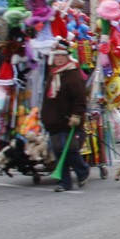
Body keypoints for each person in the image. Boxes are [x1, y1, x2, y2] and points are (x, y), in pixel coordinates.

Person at [42, 40, 89, 192]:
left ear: (68, 57)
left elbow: (80, 98)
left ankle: (83, 171)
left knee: (70, 151)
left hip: (69, 120)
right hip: (54, 121)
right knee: (58, 151)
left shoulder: (73, 75)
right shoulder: (53, 75)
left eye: (63, 55)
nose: (60, 59)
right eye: (57, 56)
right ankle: (65, 182)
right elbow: (47, 99)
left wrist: (76, 115)